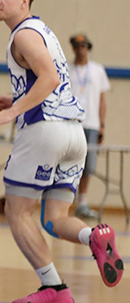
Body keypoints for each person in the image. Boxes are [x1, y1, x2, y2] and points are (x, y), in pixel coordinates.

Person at [0, 0, 122, 303]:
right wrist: (16, 97)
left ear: (25, 1)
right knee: (53, 219)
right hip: (74, 135)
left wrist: (14, 111)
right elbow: (51, 82)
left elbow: (49, 77)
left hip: (45, 132)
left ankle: (54, 287)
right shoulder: (43, 31)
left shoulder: (23, 34)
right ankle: (94, 237)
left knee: (17, 211)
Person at [68, 33, 110, 220]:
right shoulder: (67, 69)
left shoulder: (97, 70)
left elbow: (102, 99)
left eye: (83, 46)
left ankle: (82, 202)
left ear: (88, 48)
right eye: (77, 47)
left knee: (88, 165)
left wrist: (102, 125)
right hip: (71, 122)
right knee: (69, 161)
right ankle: (65, 200)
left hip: (91, 123)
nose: (80, 50)